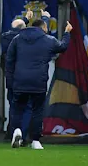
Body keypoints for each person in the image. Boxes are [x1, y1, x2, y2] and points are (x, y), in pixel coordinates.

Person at [5, 18, 72, 150]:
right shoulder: (48, 40)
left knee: (18, 109)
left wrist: (11, 81)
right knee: (37, 110)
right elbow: (63, 47)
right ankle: (35, 140)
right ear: (44, 28)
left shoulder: (17, 39)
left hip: (20, 80)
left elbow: (9, 60)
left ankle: (17, 130)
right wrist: (67, 32)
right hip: (38, 81)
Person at [0, 17, 26, 139]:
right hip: (26, 79)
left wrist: (24, 19)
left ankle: (12, 131)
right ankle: (24, 133)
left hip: (11, 80)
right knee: (28, 107)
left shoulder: (6, 38)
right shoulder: (26, 40)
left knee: (13, 106)